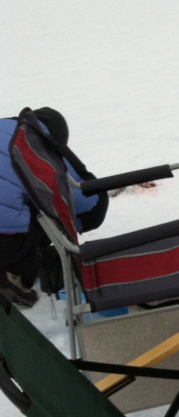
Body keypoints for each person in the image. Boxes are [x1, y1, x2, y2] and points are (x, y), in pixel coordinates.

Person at [0, 107, 107, 307]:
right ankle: (11, 276)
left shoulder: (6, 126)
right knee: (46, 212)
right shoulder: (36, 140)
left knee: (18, 201)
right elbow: (92, 203)